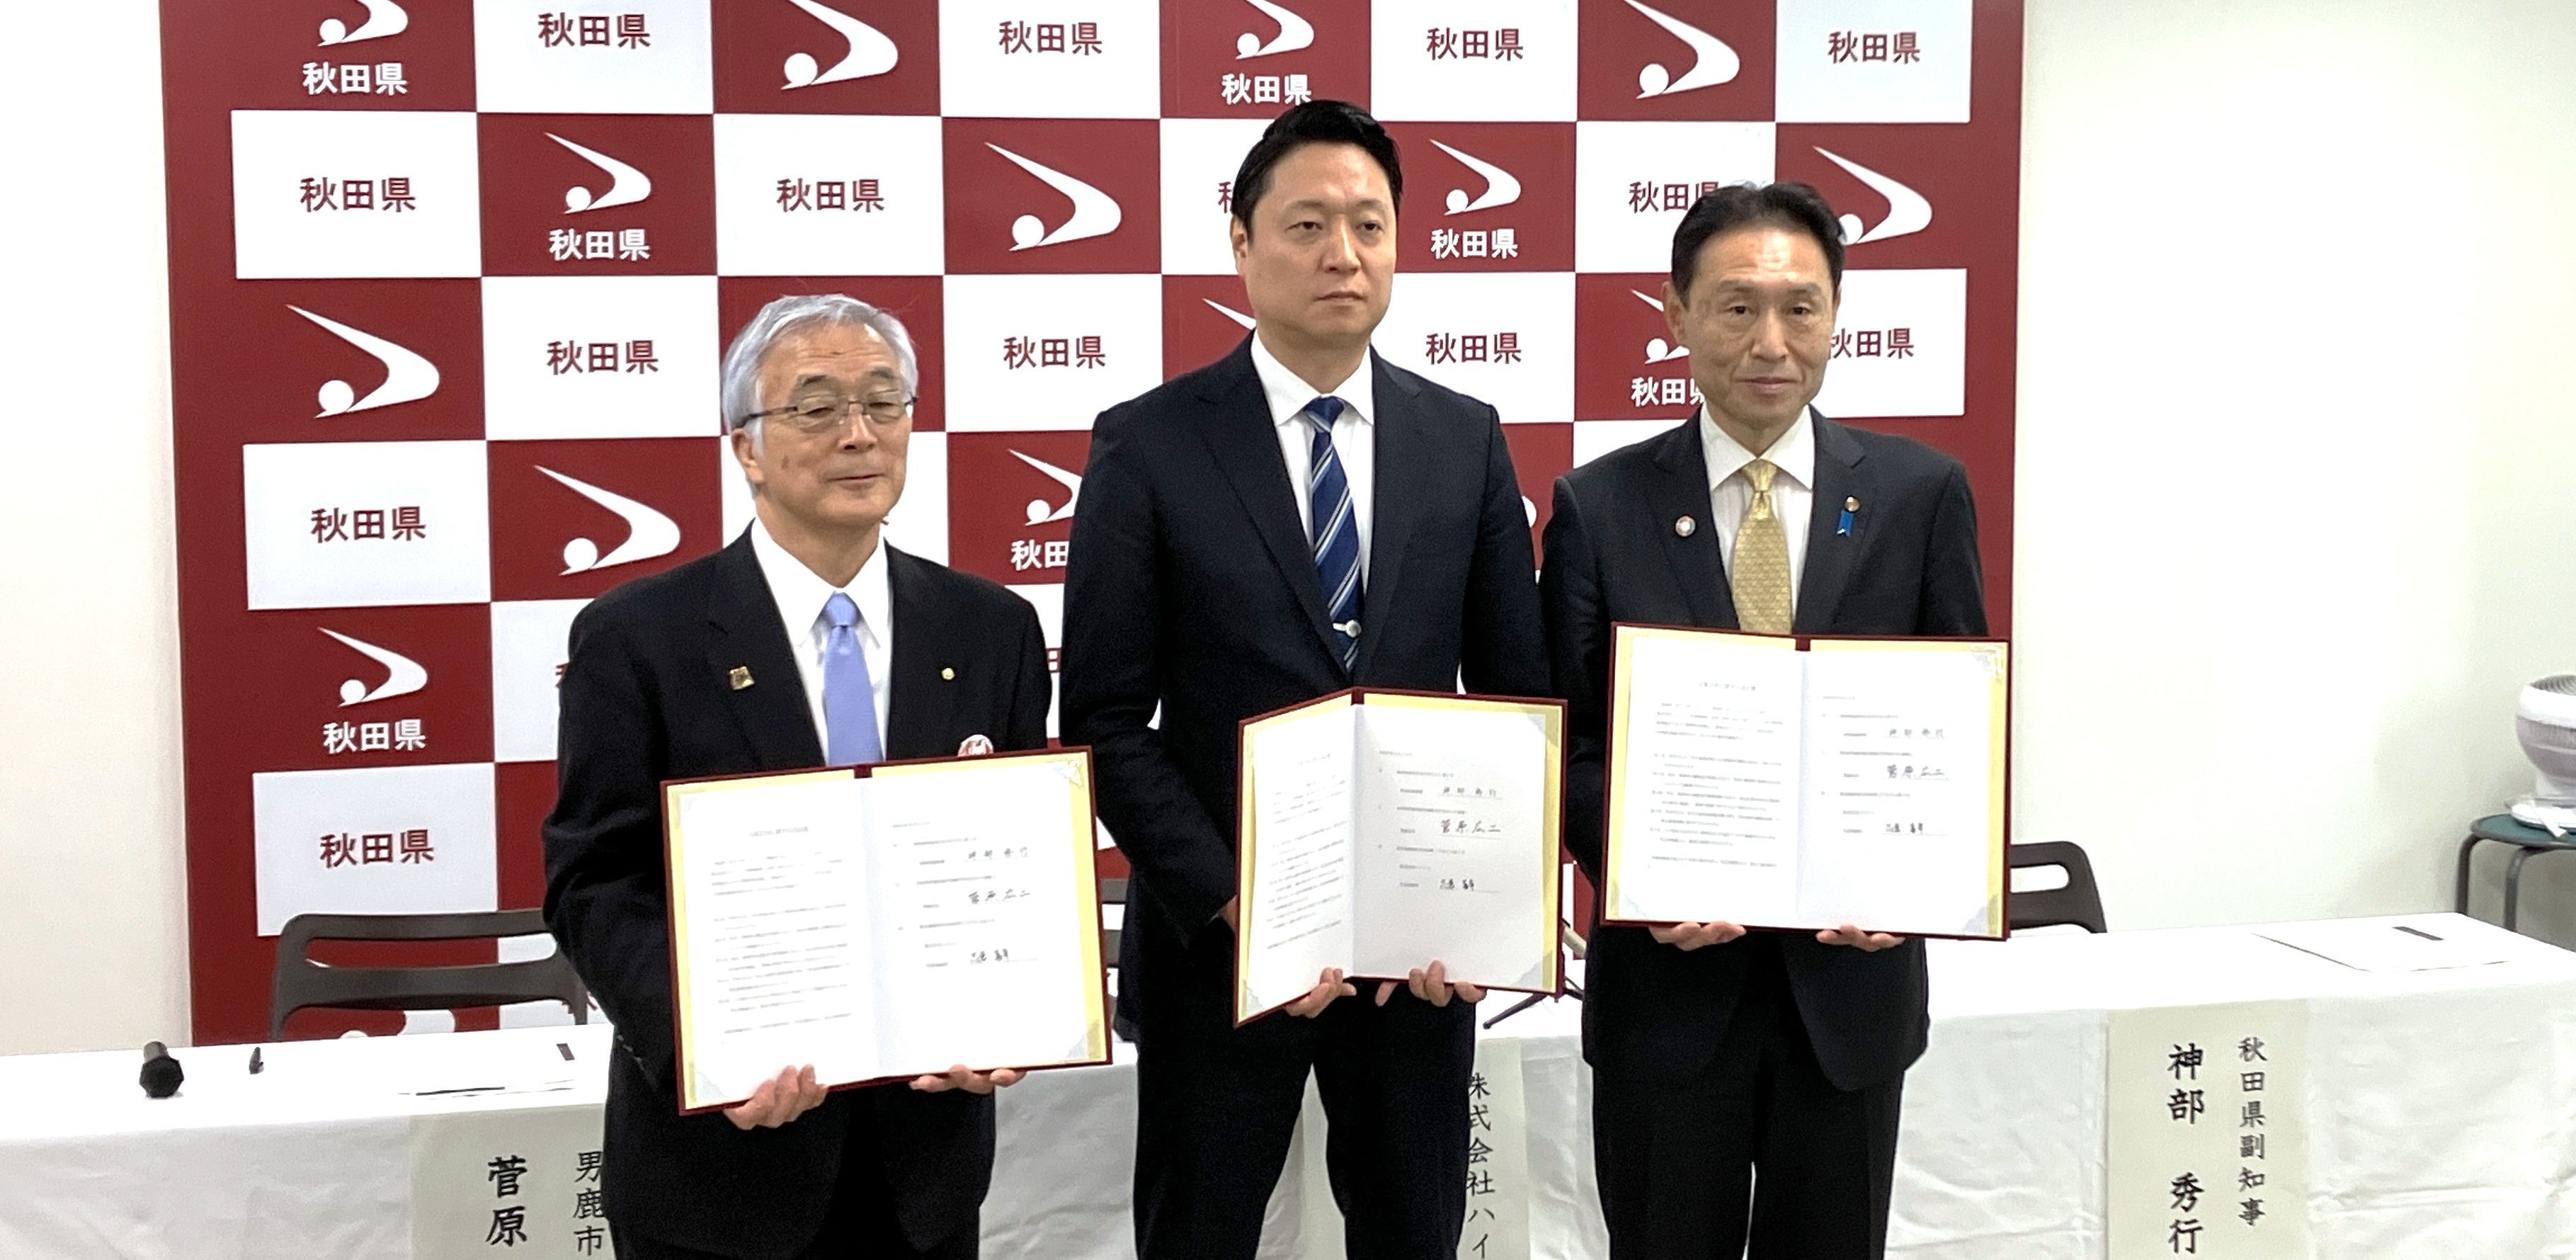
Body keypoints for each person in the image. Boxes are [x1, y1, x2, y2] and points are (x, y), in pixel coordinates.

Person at [1062, 98, 1550, 1260]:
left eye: (1369, 225)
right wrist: (1235, 901)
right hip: (1220, 951)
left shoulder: (1463, 436)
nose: (1344, 253)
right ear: (1240, 240)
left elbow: (1517, 701)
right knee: (1198, 1232)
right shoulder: (1148, 442)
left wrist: (1478, 911)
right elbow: (1103, 719)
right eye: (1307, 224)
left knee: (1413, 1232)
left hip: (1414, 963)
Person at [545, 294, 1052, 1260]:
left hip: (924, 1171)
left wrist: (1009, 1018)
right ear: (745, 446)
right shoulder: (638, 637)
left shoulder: (992, 629)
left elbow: (1013, 864)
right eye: (816, 407)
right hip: (719, 1175)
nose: (859, 434)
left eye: (883, 402)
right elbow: (595, 881)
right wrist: (705, 1054)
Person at [1541, 183, 1988, 1260]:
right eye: (1736, 307)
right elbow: (1567, 743)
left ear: (1837, 316)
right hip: (1668, 997)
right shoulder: (1598, 506)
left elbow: (1955, 726)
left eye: (1799, 307)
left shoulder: (1921, 495)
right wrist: (1640, 870)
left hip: (1849, 999)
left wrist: (1914, 881)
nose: (1770, 342)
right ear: (1676, 313)